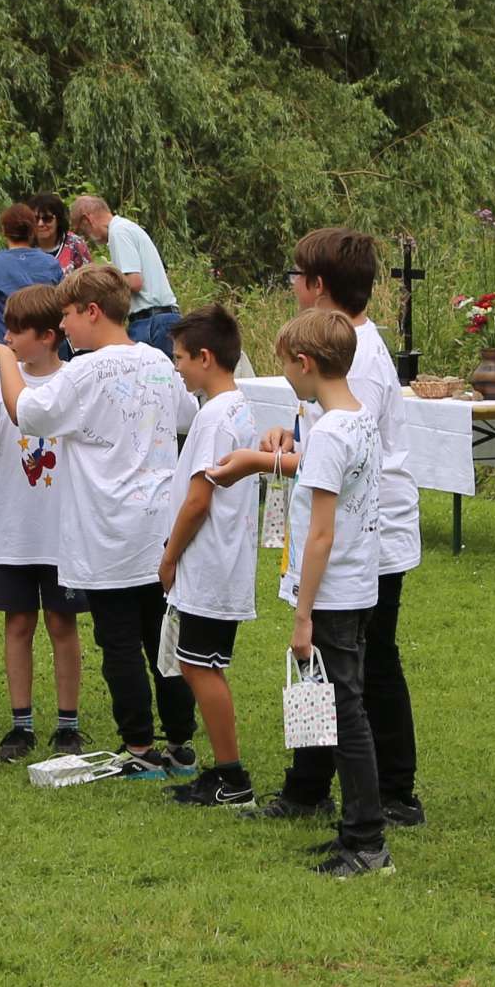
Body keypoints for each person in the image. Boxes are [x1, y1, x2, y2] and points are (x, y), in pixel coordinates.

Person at [0, 263, 198, 778]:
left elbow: (26, 411)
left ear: (92, 312)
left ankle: (139, 747)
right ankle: (181, 743)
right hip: (159, 528)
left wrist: (4, 356)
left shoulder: (84, 371)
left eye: (70, 314)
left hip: (108, 529)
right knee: (161, 637)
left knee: (118, 640)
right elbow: (185, 415)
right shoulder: (160, 362)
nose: (65, 325)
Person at [247, 228, 425, 827]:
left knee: (368, 665)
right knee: (328, 666)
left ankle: (394, 794)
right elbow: (322, 435)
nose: (294, 287)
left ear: (318, 286)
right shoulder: (333, 346)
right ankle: (308, 784)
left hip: (361, 539)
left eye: (296, 277)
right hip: (340, 535)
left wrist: (260, 461)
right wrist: (285, 439)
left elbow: (340, 459)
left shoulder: (363, 359)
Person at [207, 309, 394, 878]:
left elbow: (319, 532)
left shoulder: (334, 434)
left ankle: (367, 844)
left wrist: (303, 616)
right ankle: (351, 831)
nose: (284, 374)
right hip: (360, 585)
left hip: (332, 596)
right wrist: (289, 429)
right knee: (344, 707)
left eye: (286, 363)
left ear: (305, 363)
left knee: (348, 714)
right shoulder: (355, 419)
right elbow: (311, 431)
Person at [0, 284, 89, 763]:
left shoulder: (74, 380)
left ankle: (68, 725)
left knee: (61, 623)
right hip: (14, 529)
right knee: (18, 624)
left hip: (62, 531)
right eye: (6, 328)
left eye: (17, 330)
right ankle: (21, 724)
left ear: (49, 336)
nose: (7, 338)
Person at [157, 306, 260, 807]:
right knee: (199, 660)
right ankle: (225, 772)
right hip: (223, 556)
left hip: (209, 557)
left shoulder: (217, 416)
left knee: (199, 665)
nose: (176, 367)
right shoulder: (234, 405)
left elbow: (200, 498)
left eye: (180, 358)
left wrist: (170, 556)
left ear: (205, 357)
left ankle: (232, 777)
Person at [69, 195, 178, 355]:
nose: (87, 238)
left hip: (151, 321)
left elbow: (134, 282)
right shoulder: (126, 227)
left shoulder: (118, 232)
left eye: (83, 231)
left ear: (87, 219)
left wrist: (101, 284)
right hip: (162, 318)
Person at [0, 203, 63, 340]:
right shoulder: (51, 263)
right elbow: (61, 309)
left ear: (4, 230)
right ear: (33, 230)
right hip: (47, 348)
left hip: (9, 349)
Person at [28, 193, 93, 273]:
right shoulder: (25, 246)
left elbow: (89, 277)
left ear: (58, 220)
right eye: (35, 219)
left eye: (47, 218)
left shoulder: (75, 244)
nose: (40, 224)